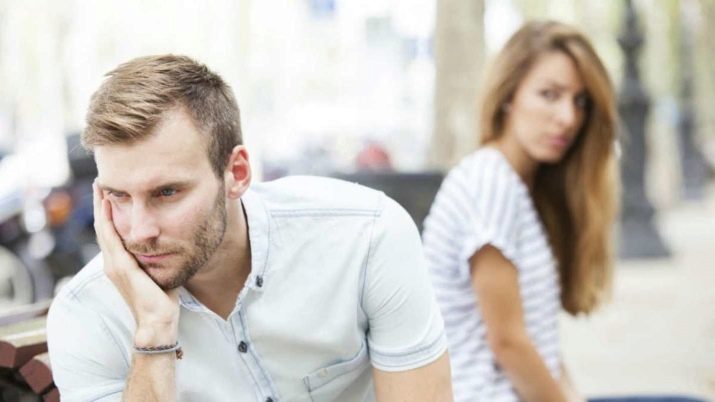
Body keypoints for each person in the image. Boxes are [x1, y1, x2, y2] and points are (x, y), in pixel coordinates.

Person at [47, 55, 453, 402]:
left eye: (167, 193)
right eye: (118, 196)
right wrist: (153, 333)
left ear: (236, 173)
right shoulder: (87, 314)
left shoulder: (365, 239)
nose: (139, 232)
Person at [422, 21, 618, 402]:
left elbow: (541, 348)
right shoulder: (489, 182)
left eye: (580, 101)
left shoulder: (516, 188)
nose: (568, 117)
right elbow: (509, 344)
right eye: (550, 94)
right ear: (509, 95)